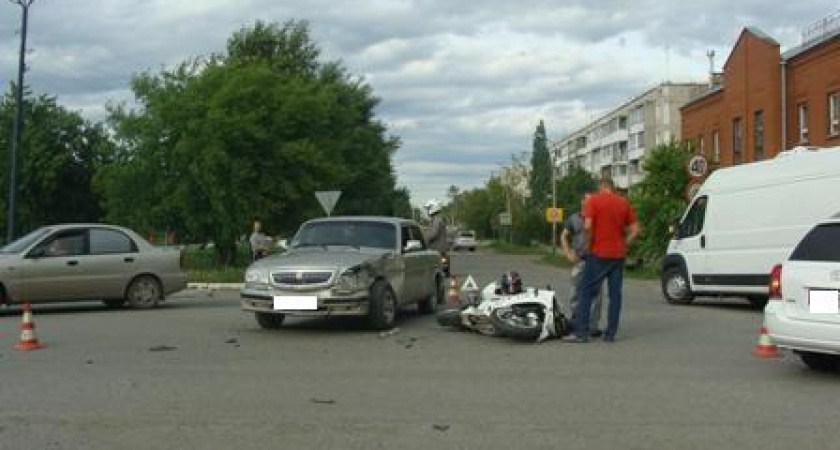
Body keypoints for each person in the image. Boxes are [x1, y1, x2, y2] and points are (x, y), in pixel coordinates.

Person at [563, 177, 640, 343]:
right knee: (615, 295)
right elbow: (635, 229)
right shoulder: (623, 203)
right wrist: (623, 243)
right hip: (618, 256)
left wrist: (590, 244)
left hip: (598, 254)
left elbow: (588, 225)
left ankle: (581, 333)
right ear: (612, 187)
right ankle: (610, 334)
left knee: (585, 291)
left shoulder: (594, 201)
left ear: (601, 186)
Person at [560, 190, 604, 338]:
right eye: (587, 200)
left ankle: (592, 326)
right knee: (575, 293)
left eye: (593, 200)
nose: (590, 203)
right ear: (582, 202)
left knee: (596, 296)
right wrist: (568, 252)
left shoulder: (599, 218)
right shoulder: (574, 218)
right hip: (579, 259)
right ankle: (576, 323)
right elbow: (564, 236)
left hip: (596, 260)